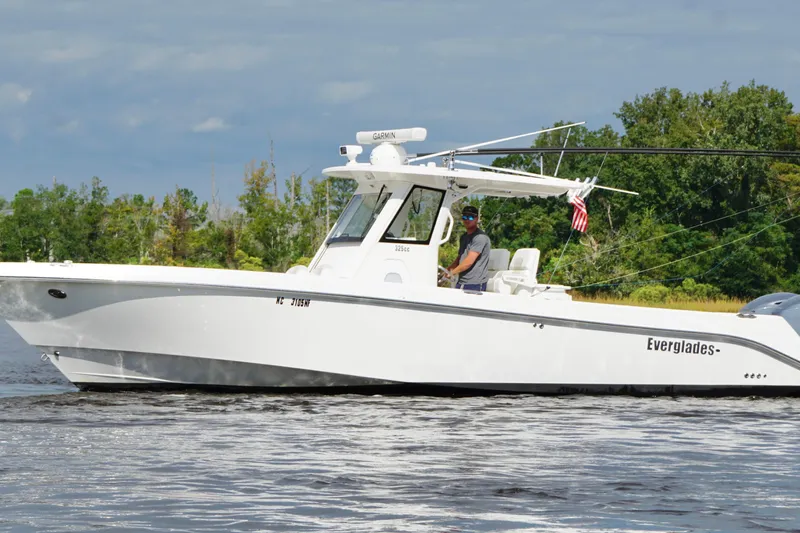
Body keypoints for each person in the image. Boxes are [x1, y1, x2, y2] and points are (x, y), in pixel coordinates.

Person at [445, 205, 491, 291]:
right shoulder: (464, 237)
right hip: (462, 282)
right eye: (464, 217)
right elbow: (459, 258)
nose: (467, 220)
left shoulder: (480, 237)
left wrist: (452, 273)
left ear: (476, 219)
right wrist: (447, 270)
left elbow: (469, 262)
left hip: (475, 284)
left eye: (470, 217)